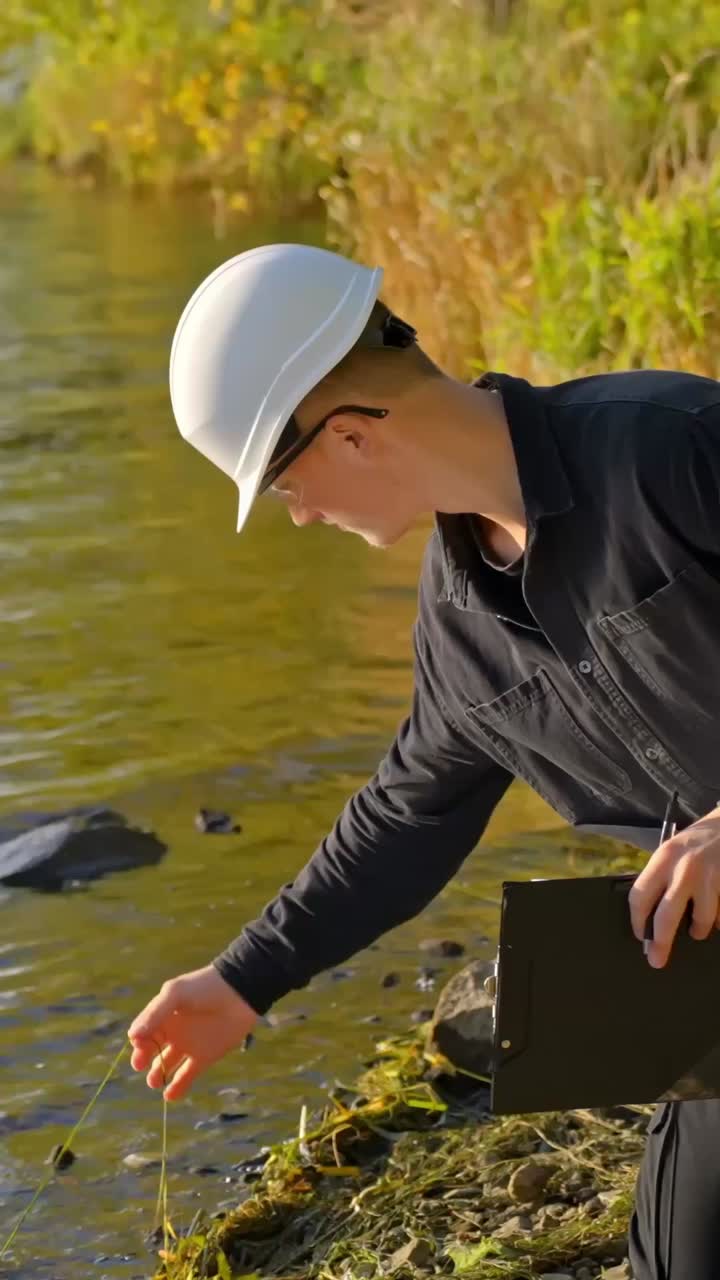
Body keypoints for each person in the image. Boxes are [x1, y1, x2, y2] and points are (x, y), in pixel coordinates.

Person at [128, 243, 720, 1280]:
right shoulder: (460, 630)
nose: (301, 514)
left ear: (351, 435)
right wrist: (243, 978)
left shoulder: (672, 449)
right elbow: (405, 816)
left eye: (282, 486)